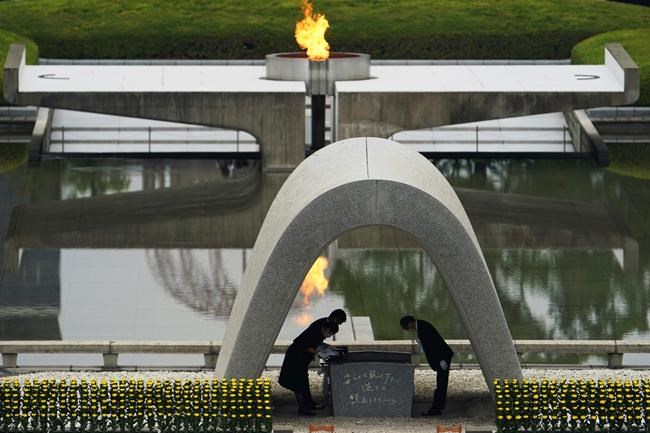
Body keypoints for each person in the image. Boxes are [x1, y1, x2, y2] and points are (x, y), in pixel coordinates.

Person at [279, 321, 339, 416]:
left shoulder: (320, 333)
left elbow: (316, 344)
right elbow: (303, 344)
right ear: (326, 329)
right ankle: (303, 409)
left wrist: (326, 348)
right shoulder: (314, 332)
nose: (330, 335)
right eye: (330, 333)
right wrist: (318, 352)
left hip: (302, 359)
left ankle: (309, 404)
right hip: (295, 357)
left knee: (304, 380)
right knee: (298, 383)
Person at [400, 315, 454, 416]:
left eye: (407, 328)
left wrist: (442, 360)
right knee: (441, 384)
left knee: (441, 384)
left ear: (409, 323)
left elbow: (435, 344)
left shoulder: (423, 328)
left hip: (442, 358)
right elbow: (430, 343)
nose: (410, 330)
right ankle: (439, 406)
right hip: (441, 358)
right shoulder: (422, 325)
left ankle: (436, 410)